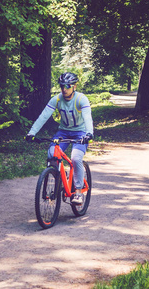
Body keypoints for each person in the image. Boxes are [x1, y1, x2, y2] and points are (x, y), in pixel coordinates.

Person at [25, 72, 94, 204]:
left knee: (75, 157)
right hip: (63, 132)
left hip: (81, 132)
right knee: (52, 154)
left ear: (74, 86)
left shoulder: (81, 99)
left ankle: (78, 191)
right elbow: (44, 116)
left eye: (67, 86)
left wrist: (89, 134)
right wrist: (31, 133)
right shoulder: (56, 99)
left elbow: (87, 117)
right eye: (62, 86)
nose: (64, 89)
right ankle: (60, 179)